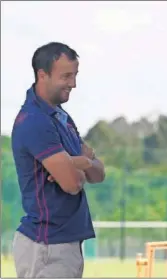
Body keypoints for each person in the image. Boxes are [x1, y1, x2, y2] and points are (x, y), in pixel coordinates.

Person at [11, 42, 105, 278]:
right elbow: (72, 184)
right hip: (47, 246)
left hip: (63, 242)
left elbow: (98, 173)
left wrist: (78, 163)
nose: (73, 84)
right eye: (66, 76)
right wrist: (81, 163)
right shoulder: (35, 121)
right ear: (42, 75)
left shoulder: (61, 117)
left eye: (75, 75)